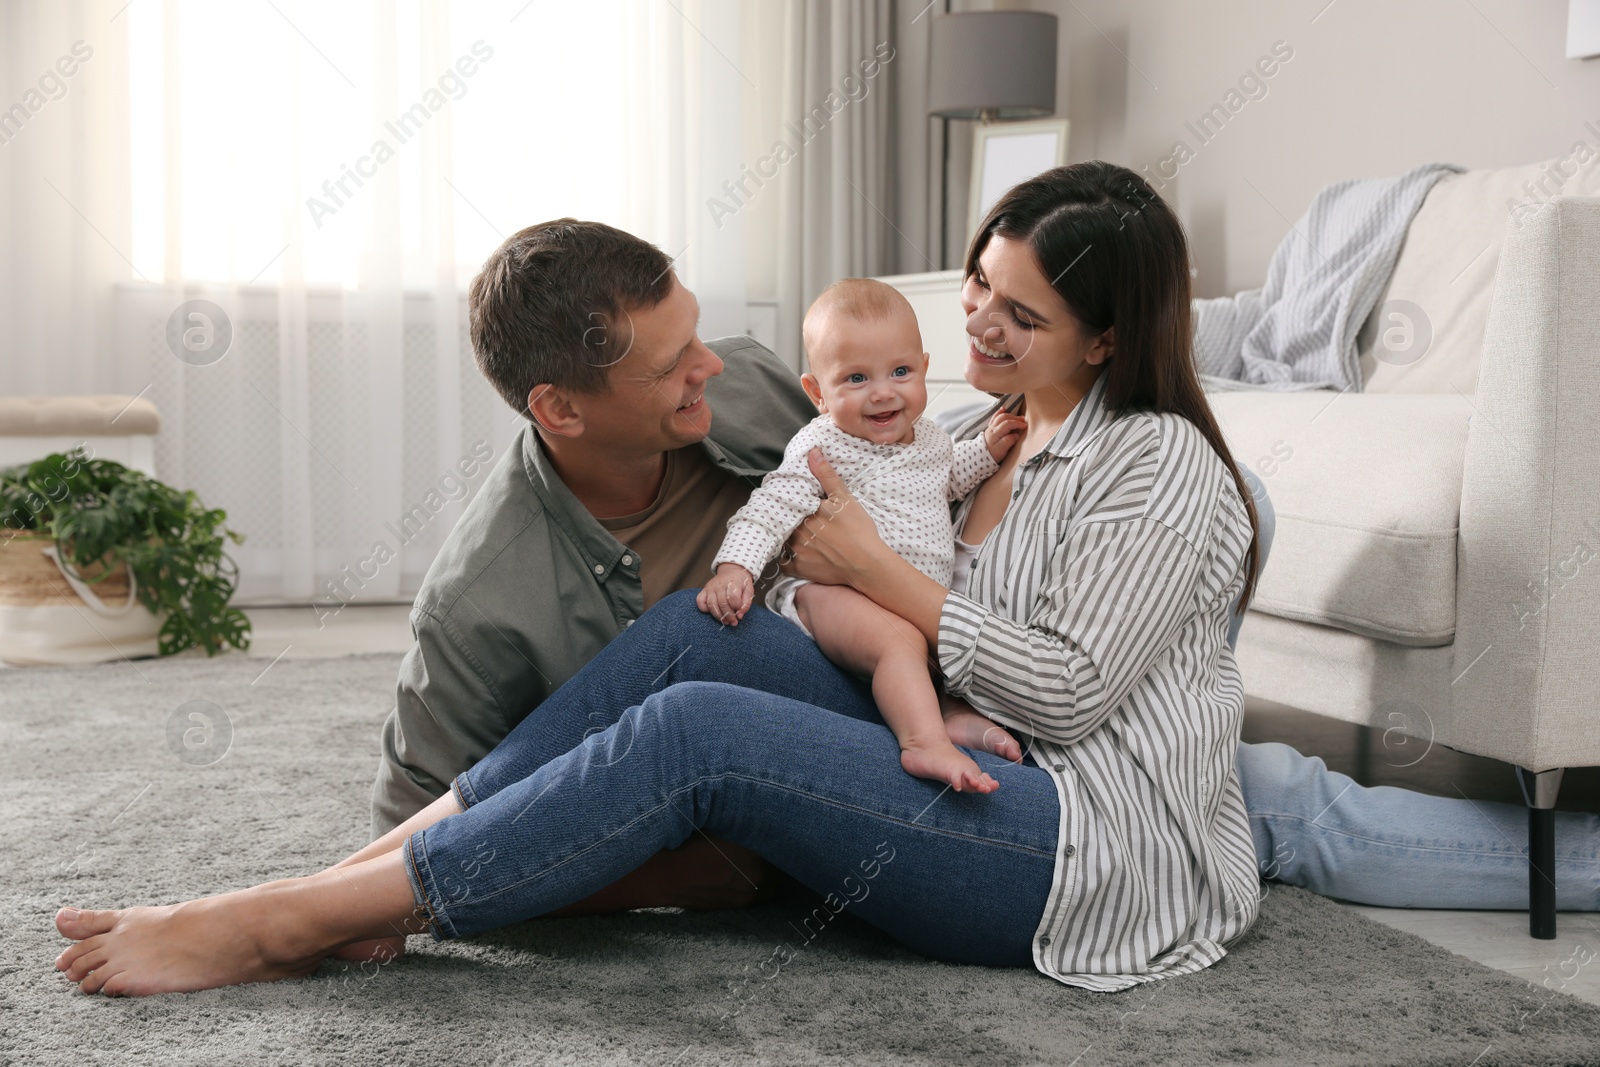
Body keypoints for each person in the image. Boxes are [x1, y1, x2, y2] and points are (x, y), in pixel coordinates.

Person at [51, 167, 1600, 998]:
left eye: (1015, 316)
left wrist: (863, 568)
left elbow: (1055, 685)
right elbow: (837, 453)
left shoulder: (1170, 471)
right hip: (986, 748)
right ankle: (343, 887)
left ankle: (281, 925)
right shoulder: (972, 430)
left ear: (1110, 337)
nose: (972, 332)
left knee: (698, 737)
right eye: (979, 293)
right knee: (681, 641)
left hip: (1087, 845)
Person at [700, 277, 1027, 794]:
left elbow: (946, 480)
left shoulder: (932, 438)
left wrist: (985, 451)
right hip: (828, 595)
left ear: (922, 366)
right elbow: (771, 505)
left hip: (899, 597)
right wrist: (735, 566)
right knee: (899, 642)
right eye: (855, 378)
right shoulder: (822, 445)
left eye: (900, 371)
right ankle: (924, 743)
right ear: (817, 393)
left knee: (932, 647)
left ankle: (946, 714)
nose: (882, 392)